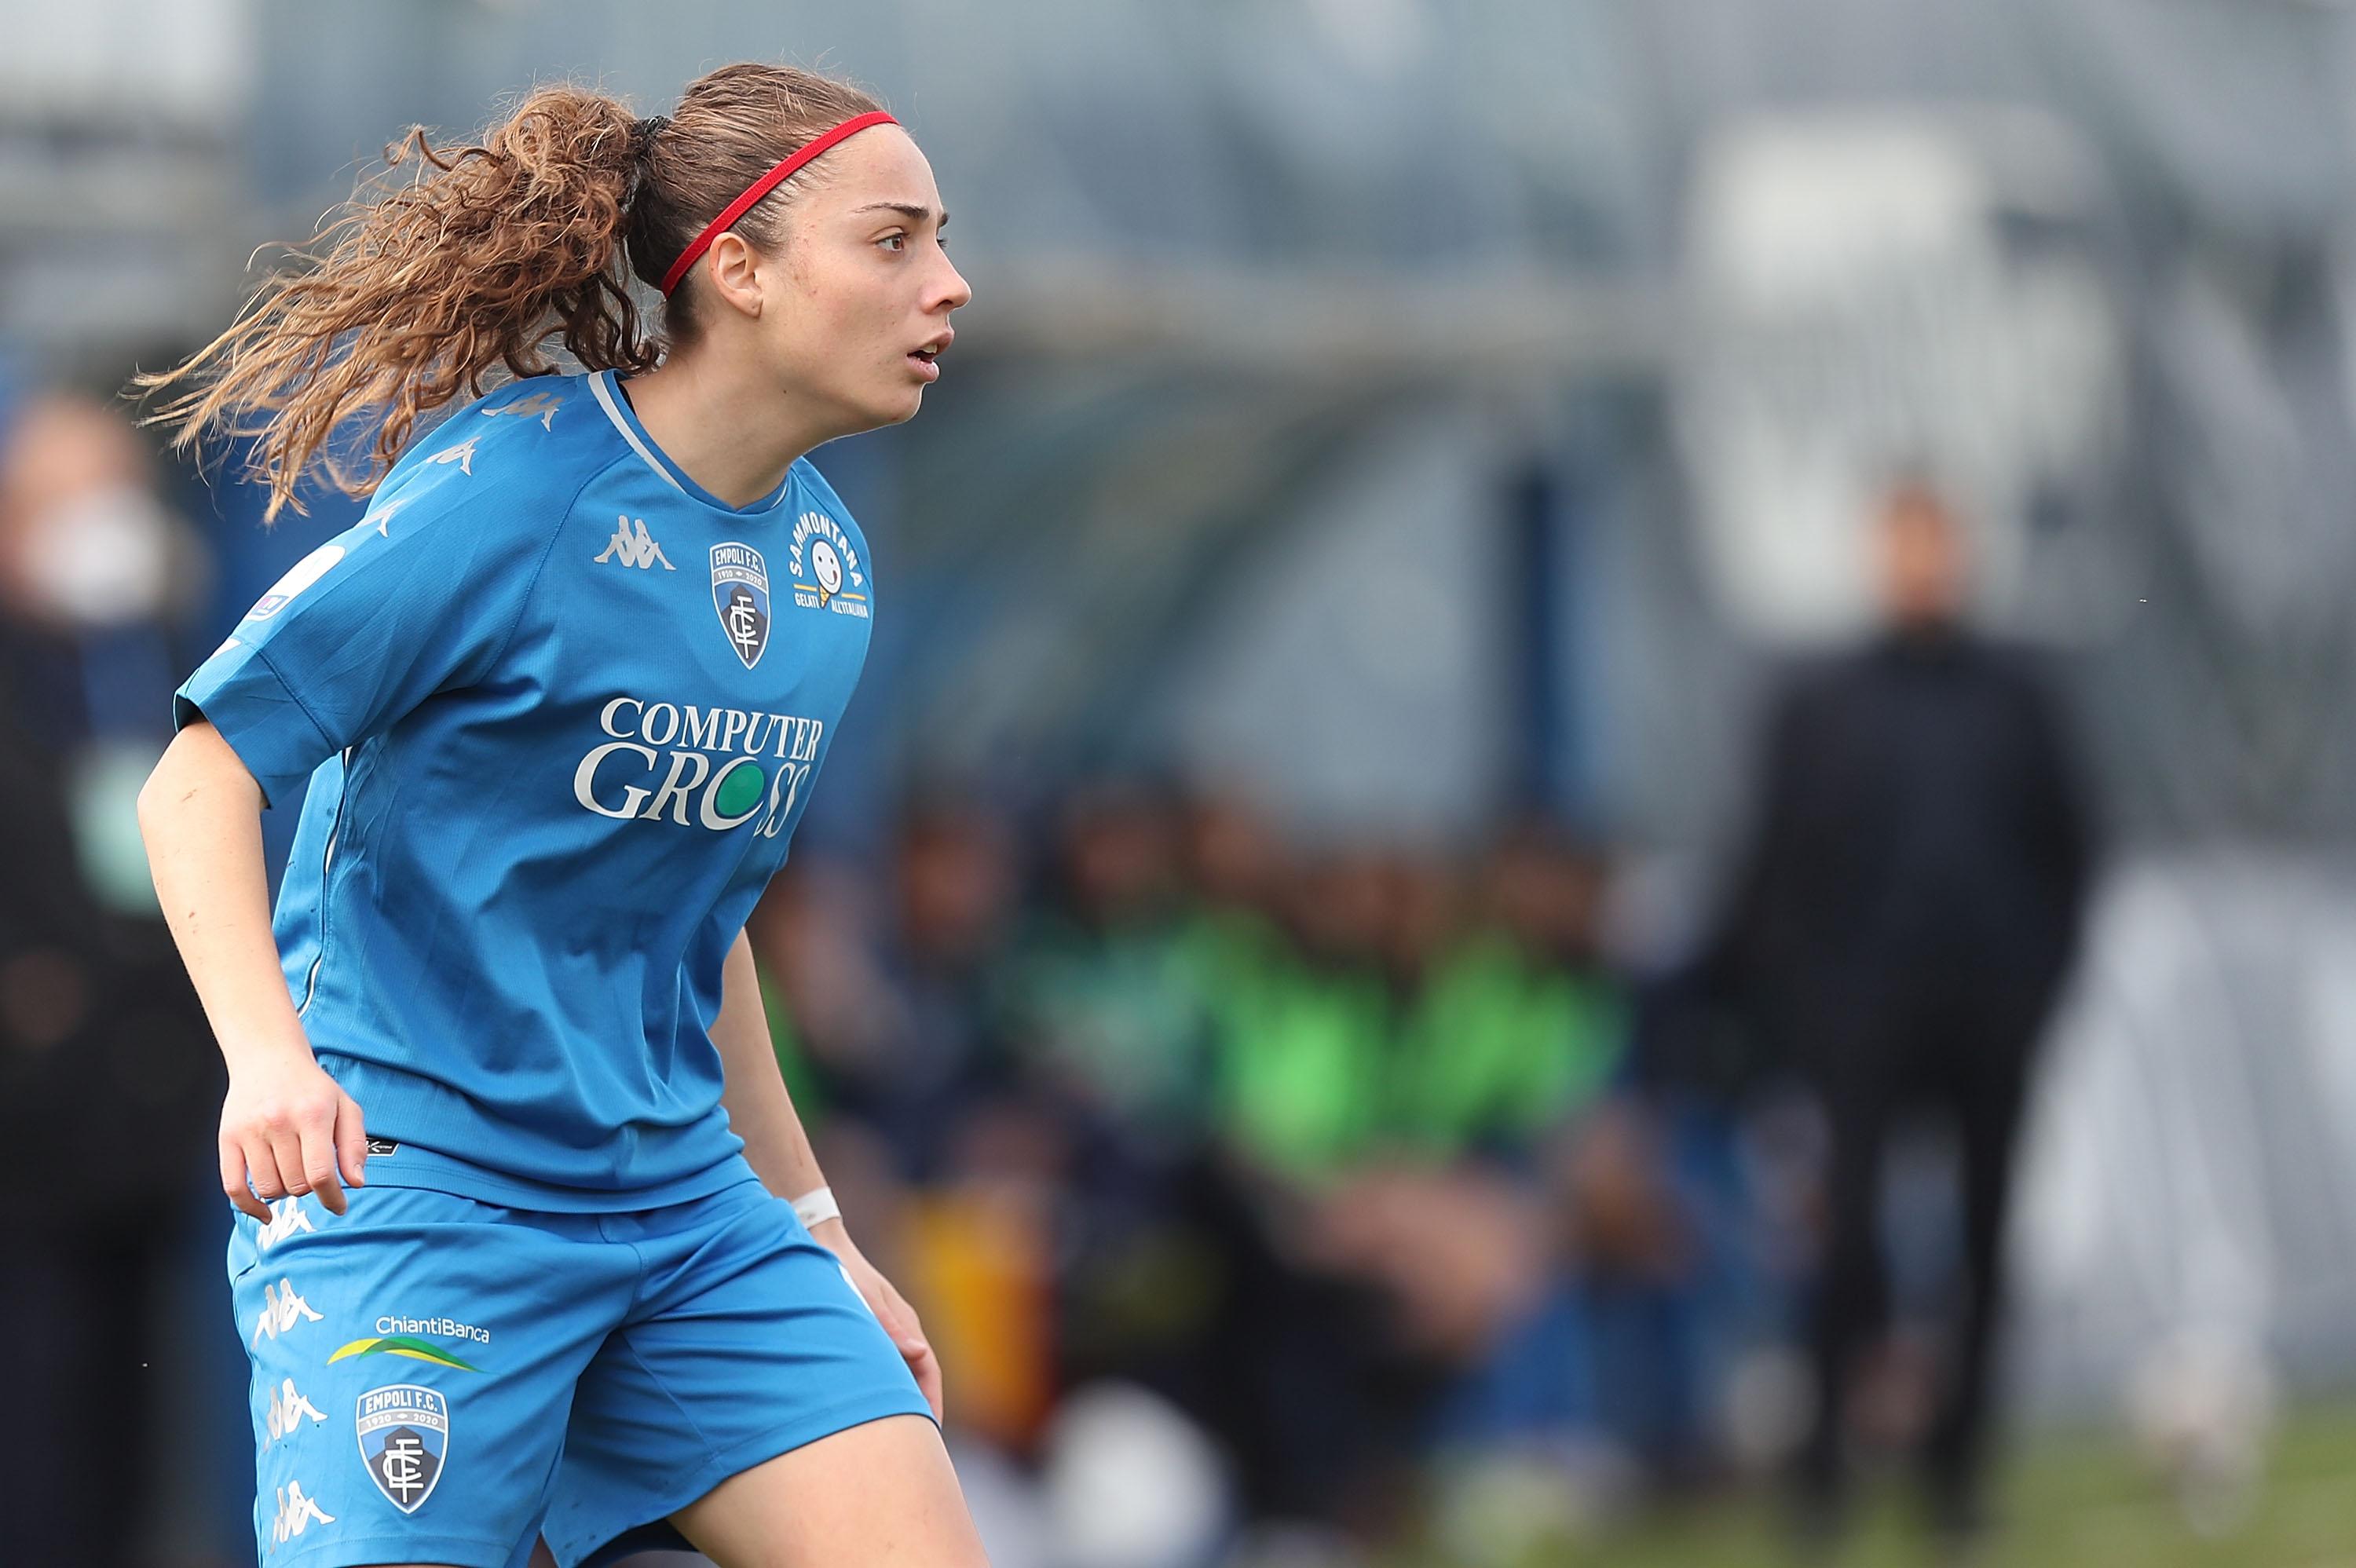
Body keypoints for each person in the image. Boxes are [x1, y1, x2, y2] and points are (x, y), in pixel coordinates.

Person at [134, 64, 981, 1568]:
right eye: (896, 240)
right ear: (741, 271)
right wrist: (267, 1062)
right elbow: (197, 777)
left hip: (689, 1216)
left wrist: (817, 1223)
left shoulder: (828, 575)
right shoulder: (506, 493)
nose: (950, 285)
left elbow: (693, 925)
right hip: (420, 1200)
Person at [1703, 480, 2094, 1540]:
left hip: (1987, 1016)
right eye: (1904, 543)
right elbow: (1775, 867)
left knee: (1981, 1248)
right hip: (1861, 1021)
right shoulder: (1823, 702)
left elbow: (2070, 854)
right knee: (1843, 1246)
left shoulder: (2016, 697)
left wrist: (2036, 991)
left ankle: (1955, 1475)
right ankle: (1823, 1473)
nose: (1922, 564)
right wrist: (1799, 1010)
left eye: (1938, 544)